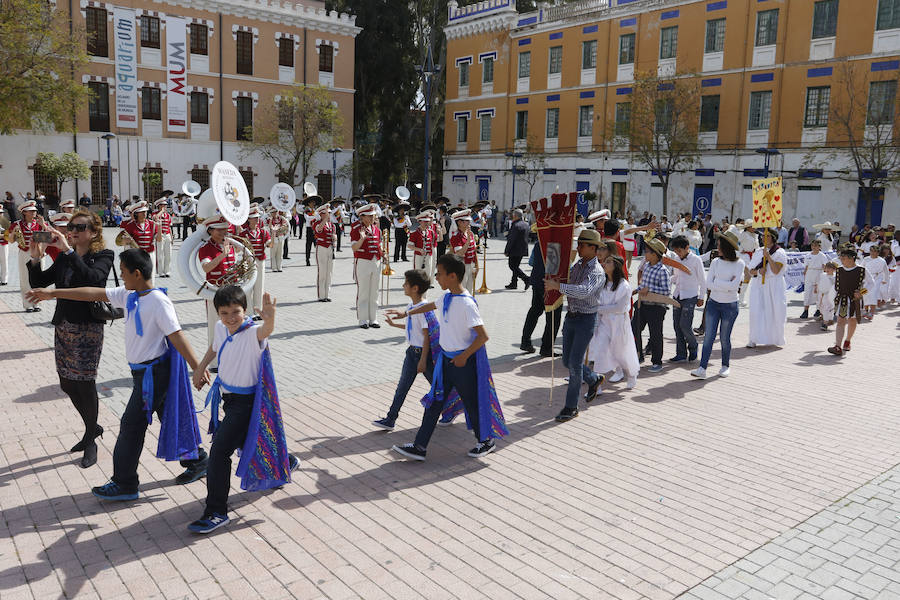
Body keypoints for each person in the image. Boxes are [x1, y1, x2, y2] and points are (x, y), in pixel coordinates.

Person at [27, 249, 209, 500]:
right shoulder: (131, 295)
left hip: (153, 374)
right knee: (170, 417)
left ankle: (125, 482)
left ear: (136, 273)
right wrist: (52, 293)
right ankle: (198, 460)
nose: (120, 277)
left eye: (123, 273)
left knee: (131, 425)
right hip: (141, 374)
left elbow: (176, 335)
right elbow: (93, 292)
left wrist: (198, 367)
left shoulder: (157, 301)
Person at [189, 286, 296, 533]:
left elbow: (266, 331)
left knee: (218, 454)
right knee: (248, 440)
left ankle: (216, 512)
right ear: (217, 313)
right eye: (224, 312)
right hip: (228, 400)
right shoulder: (220, 328)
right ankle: (284, 461)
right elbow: (215, 347)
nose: (230, 317)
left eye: (235, 311)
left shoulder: (253, 333)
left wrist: (271, 319)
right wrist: (200, 367)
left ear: (244, 310)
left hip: (247, 404)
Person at [389, 253, 508, 460]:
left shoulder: (466, 303)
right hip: (445, 362)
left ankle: (486, 441)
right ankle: (419, 447)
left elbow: (483, 336)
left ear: (452, 276)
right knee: (434, 403)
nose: (436, 278)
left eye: (440, 274)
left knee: (471, 403)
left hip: (462, 363)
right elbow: (429, 306)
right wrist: (407, 314)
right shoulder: (446, 296)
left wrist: (464, 357)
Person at [26, 209, 114, 467]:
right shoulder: (66, 257)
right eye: (71, 227)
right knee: (67, 383)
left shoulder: (103, 256)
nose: (73, 231)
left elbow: (94, 280)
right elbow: (40, 280)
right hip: (63, 325)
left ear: (94, 232)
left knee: (85, 383)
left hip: (87, 327)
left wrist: (67, 251)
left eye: (80, 227)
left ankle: (90, 439)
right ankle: (92, 427)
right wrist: (34, 259)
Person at [544, 229, 606, 422]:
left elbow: (583, 291)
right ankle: (593, 378)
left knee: (574, 364)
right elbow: (567, 279)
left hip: (586, 320)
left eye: (582, 245)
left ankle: (571, 406)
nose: (578, 248)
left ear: (592, 248)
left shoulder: (596, 271)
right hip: (571, 317)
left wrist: (557, 287)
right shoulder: (578, 265)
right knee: (566, 361)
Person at [372, 269, 434, 430]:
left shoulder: (424, 308)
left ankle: (451, 410)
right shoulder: (411, 306)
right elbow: (412, 328)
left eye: (406, 283)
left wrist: (422, 360)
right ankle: (390, 419)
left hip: (423, 355)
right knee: (402, 387)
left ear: (415, 288)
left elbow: (427, 336)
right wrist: (394, 325)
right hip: (411, 353)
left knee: (438, 386)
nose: (403, 285)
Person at [690, 231, 746, 379]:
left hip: (730, 306)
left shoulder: (740, 263)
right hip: (713, 304)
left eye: (720, 246)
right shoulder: (715, 262)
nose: (717, 248)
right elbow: (709, 283)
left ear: (727, 247)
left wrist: (718, 283)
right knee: (708, 337)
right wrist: (726, 284)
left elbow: (734, 287)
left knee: (724, 338)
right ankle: (702, 368)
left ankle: (725, 366)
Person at [586, 255, 639, 390]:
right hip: (604, 323)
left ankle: (631, 374)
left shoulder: (624, 286)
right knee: (601, 350)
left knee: (620, 352)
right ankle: (596, 385)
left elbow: (620, 308)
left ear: (616, 266)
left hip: (619, 323)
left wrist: (599, 308)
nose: (604, 263)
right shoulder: (602, 283)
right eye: (605, 261)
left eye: (608, 262)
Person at [199, 214, 241, 364]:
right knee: (215, 326)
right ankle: (215, 361)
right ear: (210, 230)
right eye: (219, 230)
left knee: (233, 325)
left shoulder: (229, 244)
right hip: (214, 292)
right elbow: (206, 267)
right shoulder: (205, 248)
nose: (223, 233)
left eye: (225, 230)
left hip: (231, 291)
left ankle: (232, 357)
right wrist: (223, 254)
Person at [520, 227, 562, 356]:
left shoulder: (539, 243)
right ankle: (546, 348)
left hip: (536, 281)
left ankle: (525, 341)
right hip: (548, 284)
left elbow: (532, 262)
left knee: (535, 310)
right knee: (553, 317)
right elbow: (554, 269)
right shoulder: (555, 245)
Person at [632, 238, 671, 372]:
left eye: (647, 251)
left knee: (655, 335)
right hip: (642, 304)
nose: (645, 254)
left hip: (656, 307)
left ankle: (657, 362)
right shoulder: (647, 266)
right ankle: (638, 355)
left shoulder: (663, 270)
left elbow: (666, 291)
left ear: (655, 254)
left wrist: (650, 289)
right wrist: (637, 290)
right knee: (634, 329)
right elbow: (644, 284)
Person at [746, 228, 788, 348]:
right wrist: (759, 272)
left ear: (773, 238)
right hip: (759, 285)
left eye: (768, 236)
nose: (764, 238)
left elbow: (775, 271)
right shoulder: (758, 252)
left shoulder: (780, 253)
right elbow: (750, 271)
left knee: (776, 311)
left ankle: (776, 338)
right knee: (756, 311)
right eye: (763, 235)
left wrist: (768, 257)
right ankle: (753, 338)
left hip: (774, 285)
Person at [668, 235, 706, 363]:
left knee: (685, 325)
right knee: (676, 326)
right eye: (675, 251)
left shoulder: (696, 260)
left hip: (690, 296)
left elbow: (702, 280)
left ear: (687, 247)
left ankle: (693, 346)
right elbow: (675, 277)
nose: (678, 253)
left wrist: (701, 297)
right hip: (677, 295)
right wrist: (666, 280)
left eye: (680, 250)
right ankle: (681, 354)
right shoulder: (676, 260)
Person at [828, 245, 867, 355]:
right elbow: (836, 286)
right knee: (840, 320)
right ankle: (837, 346)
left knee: (852, 320)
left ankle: (848, 340)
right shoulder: (839, 270)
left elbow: (871, 284)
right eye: (841, 258)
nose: (841, 260)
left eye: (844, 258)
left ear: (851, 258)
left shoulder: (861, 270)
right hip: (842, 300)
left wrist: (861, 292)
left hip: (854, 300)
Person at [351, 203, 383, 329]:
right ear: (362, 216)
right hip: (363, 261)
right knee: (364, 291)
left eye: (373, 216)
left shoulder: (376, 229)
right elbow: (354, 248)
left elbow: (378, 245)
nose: (372, 218)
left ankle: (373, 318)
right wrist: (362, 239)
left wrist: (383, 255)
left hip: (376, 261)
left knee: (375, 291)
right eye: (369, 216)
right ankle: (363, 319)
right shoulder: (356, 229)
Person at [9, 199, 44, 311]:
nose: (33, 213)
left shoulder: (39, 223)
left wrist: (43, 226)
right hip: (24, 252)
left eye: (34, 210)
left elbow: (45, 239)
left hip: (37, 252)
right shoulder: (16, 224)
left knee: (38, 278)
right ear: (24, 212)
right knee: (25, 279)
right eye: (30, 211)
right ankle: (28, 304)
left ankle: (37, 303)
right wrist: (14, 232)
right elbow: (10, 240)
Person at [241, 205, 272, 318]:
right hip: (248, 263)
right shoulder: (243, 234)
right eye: (254, 217)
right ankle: (249, 312)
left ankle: (258, 311)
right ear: (249, 219)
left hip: (260, 261)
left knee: (259, 286)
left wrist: (273, 233)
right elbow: (237, 249)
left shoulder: (263, 232)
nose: (257, 219)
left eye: (258, 217)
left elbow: (270, 244)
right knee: (248, 287)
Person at [121, 200, 158, 280]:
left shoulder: (152, 224)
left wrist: (160, 226)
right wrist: (126, 242)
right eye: (142, 212)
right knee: (138, 278)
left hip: (150, 254)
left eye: (145, 211)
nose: (145, 213)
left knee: (150, 278)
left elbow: (158, 239)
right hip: (137, 255)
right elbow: (124, 243)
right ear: (136, 214)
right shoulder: (130, 226)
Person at [450, 209, 479, 295]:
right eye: (466, 221)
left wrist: (477, 265)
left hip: (471, 264)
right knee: (461, 290)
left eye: (469, 221)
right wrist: (468, 241)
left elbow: (474, 250)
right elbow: (459, 253)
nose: (469, 223)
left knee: (470, 289)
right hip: (461, 266)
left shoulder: (470, 234)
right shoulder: (456, 236)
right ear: (459, 222)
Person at [313, 202, 336, 301]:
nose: (329, 215)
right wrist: (325, 219)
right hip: (321, 248)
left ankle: (327, 294)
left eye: (329, 213)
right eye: (327, 213)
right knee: (322, 272)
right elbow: (319, 230)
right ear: (321, 214)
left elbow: (334, 236)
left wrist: (335, 239)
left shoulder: (332, 225)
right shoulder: (317, 223)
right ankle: (321, 296)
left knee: (329, 272)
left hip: (330, 248)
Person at [800, 240, 827, 319]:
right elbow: (806, 266)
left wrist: (824, 275)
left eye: (816, 246)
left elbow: (824, 266)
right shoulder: (808, 255)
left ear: (819, 247)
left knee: (818, 293)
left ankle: (818, 309)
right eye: (813, 246)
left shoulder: (822, 256)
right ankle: (806, 310)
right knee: (807, 292)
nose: (814, 247)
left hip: (818, 273)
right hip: (810, 274)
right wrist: (805, 272)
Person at [504, 208, 530, 290]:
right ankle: (514, 283)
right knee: (516, 266)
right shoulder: (526, 224)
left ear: (515, 216)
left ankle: (526, 279)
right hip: (522, 249)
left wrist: (506, 250)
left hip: (514, 250)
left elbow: (511, 239)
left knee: (512, 266)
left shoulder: (515, 225)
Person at [861, 243, 887, 319]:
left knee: (873, 295)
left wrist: (885, 280)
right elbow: (861, 268)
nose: (873, 253)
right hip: (866, 279)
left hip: (877, 279)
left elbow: (886, 271)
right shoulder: (866, 259)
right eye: (871, 251)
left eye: (875, 251)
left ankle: (871, 313)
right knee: (865, 294)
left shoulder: (882, 260)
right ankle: (865, 310)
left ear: (878, 252)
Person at [152, 198, 173, 278]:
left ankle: (167, 271)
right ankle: (160, 272)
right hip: (159, 235)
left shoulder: (168, 215)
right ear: (159, 206)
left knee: (168, 255)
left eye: (165, 205)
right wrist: (161, 212)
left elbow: (169, 227)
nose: (164, 206)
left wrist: (171, 237)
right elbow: (155, 218)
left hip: (167, 235)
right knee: (159, 254)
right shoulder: (155, 213)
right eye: (162, 205)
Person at [818, 261, 837, 331]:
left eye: (830, 268)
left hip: (831, 294)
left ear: (834, 269)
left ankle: (825, 323)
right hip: (823, 293)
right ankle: (830, 319)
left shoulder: (836, 277)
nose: (828, 269)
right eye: (827, 267)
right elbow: (820, 283)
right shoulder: (822, 275)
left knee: (828, 307)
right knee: (823, 307)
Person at [268, 208, 288, 273]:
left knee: (280, 253)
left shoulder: (281, 218)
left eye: (276, 211)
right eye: (273, 212)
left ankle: (279, 267)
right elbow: (270, 227)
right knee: (273, 253)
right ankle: (274, 267)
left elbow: (285, 226)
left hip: (280, 237)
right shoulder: (270, 219)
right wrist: (271, 221)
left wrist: (280, 228)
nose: (275, 213)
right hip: (274, 238)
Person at [0, 205, 8, 285]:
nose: (0, 214)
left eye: (1, 213)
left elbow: (9, 234)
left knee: (4, 261)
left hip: (3, 244)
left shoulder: (6, 223)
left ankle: (4, 280)